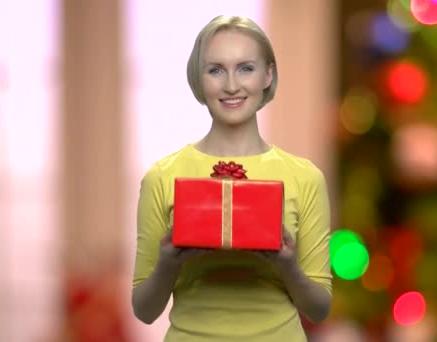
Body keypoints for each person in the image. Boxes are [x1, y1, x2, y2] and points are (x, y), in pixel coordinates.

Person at [132, 15, 332, 341]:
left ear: (268, 74)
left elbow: (319, 309)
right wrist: (168, 263)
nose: (231, 85)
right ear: (199, 78)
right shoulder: (161, 177)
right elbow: (144, 309)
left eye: (245, 68)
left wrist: (288, 266)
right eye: (215, 70)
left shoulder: (305, 177)